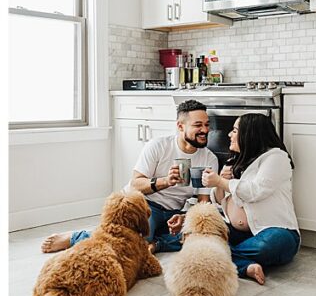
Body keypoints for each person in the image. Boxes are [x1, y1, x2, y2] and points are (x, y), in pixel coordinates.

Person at [40, 99, 216, 254]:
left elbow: (203, 202)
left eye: (207, 125)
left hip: (174, 211)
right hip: (145, 204)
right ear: (180, 126)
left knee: (203, 233)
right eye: (198, 125)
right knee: (128, 238)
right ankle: (76, 237)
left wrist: (186, 218)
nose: (204, 130)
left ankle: (156, 244)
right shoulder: (159, 146)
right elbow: (135, 185)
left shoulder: (209, 158)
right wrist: (165, 182)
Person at [193, 113, 301, 285]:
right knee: (202, 233)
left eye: (235, 130)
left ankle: (216, 257)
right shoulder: (238, 161)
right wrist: (221, 184)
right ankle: (244, 265)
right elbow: (220, 201)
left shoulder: (276, 157)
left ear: (250, 134)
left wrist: (221, 181)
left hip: (278, 232)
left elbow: (256, 190)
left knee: (264, 246)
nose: (229, 134)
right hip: (241, 234)